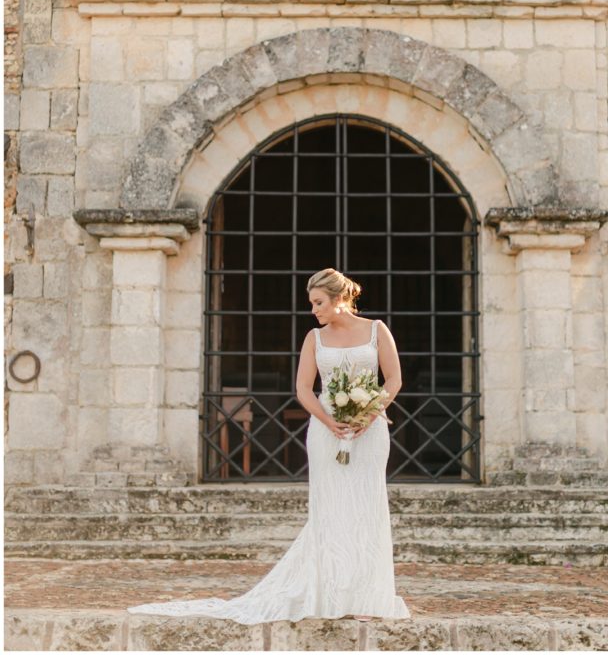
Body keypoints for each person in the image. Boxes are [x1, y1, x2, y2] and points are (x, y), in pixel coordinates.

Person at [127, 267, 410, 623]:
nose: (314, 310)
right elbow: (304, 390)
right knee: (331, 510)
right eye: (312, 303)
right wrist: (329, 422)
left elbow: (394, 378)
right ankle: (330, 594)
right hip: (327, 433)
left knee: (366, 508)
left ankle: (368, 597)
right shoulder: (314, 338)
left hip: (369, 432)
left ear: (340, 300)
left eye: (319, 302)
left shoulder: (376, 330)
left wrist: (370, 414)